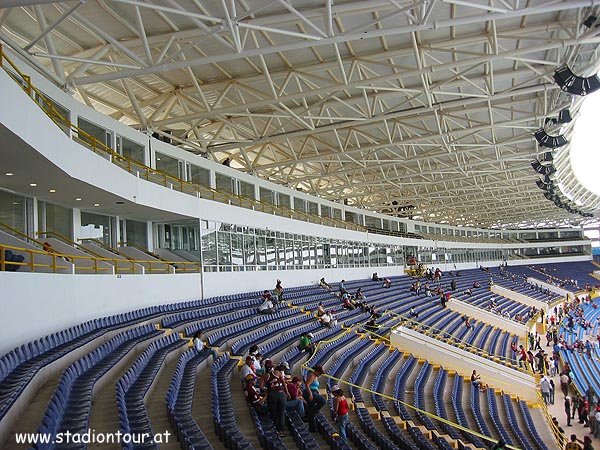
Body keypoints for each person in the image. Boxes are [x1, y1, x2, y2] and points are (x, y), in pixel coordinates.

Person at [260, 360, 289, 437]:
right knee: (281, 413)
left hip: (272, 394)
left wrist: (267, 389)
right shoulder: (278, 373)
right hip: (281, 393)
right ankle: (282, 430)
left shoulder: (264, 376)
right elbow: (284, 383)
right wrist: (287, 392)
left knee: (273, 413)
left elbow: (261, 387)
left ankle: (276, 430)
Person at [303, 365, 326, 432]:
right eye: (320, 373)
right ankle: (313, 413)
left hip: (314, 392)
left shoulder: (316, 376)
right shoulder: (312, 376)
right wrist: (310, 394)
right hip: (310, 392)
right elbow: (307, 385)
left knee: (311, 409)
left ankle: (312, 428)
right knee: (323, 401)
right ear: (317, 371)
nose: (320, 375)